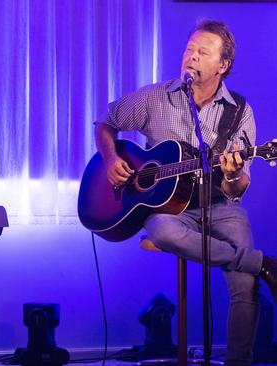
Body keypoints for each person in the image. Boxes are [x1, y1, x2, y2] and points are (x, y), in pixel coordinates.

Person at [94, 20, 277, 366]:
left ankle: (239, 361)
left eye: (202, 52)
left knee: (243, 286)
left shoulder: (239, 112)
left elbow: (238, 187)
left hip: (221, 204)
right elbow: (106, 121)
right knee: (162, 229)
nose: (191, 57)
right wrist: (110, 158)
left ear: (222, 66)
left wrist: (233, 173)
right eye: (189, 49)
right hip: (171, 209)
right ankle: (263, 264)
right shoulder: (155, 97)